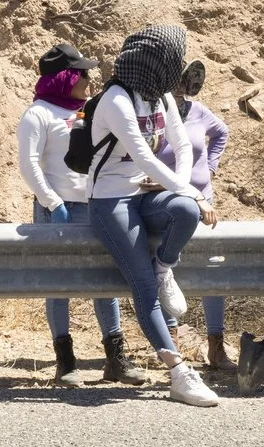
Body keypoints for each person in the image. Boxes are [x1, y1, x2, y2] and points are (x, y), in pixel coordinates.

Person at [82, 24, 221, 408]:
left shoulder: (160, 97)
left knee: (185, 211)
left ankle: (166, 266)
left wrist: (184, 188)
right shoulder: (116, 99)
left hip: (147, 192)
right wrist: (192, 189)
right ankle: (178, 372)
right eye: (172, 60)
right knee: (141, 286)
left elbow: (181, 145)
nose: (178, 67)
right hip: (111, 200)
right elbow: (143, 154)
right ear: (154, 62)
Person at [16, 42, 131, 383]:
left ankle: (116, 359)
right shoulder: (38, 114)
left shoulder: (87, 110)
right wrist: (53, 203)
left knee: (104, 280)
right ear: (65, 77)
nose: (88, 79)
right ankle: (66, 363)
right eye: (82, 73)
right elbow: (29, 165)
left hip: (95, 204)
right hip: (59, 209)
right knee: (59, 284)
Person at [176, 60, 231, 371]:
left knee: (213, 270)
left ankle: (216, 347)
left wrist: (211, 166)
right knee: (167, 271)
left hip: (203, 203)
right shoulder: (155, 111)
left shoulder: (198, 111)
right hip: (168, 201)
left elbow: (221, 133)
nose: (182, 86)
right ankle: (170, 346)